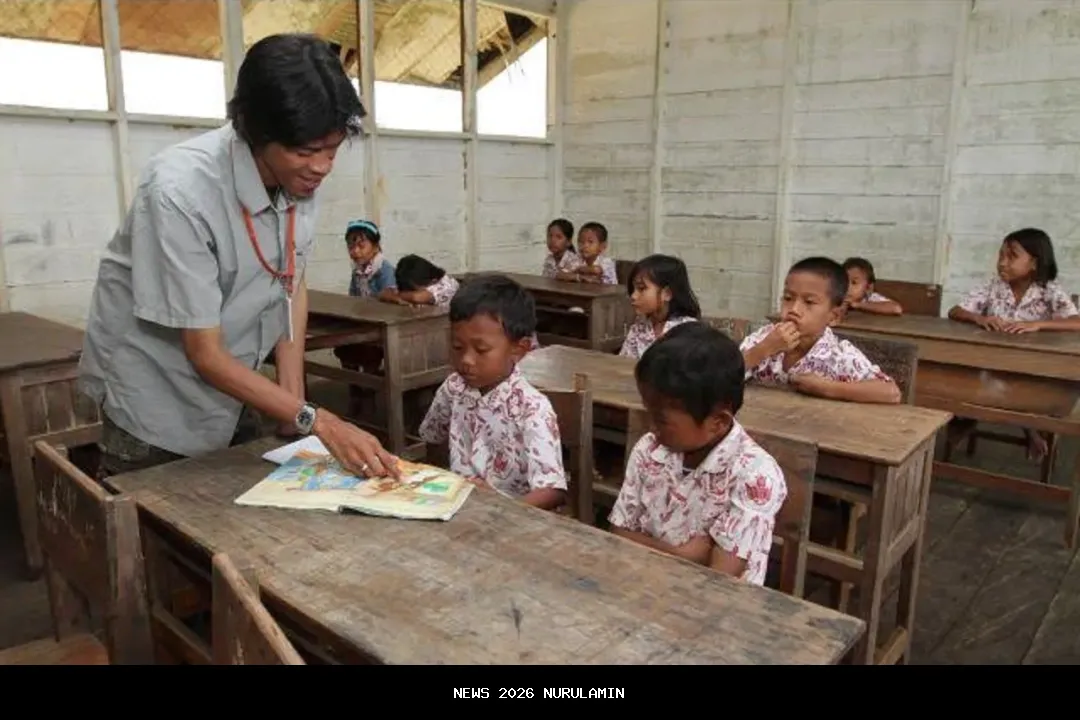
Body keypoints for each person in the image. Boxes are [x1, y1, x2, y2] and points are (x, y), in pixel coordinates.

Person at [78, 33, 400, 480]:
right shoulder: (179, 192)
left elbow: (292, 280)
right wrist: (318, 419)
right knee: (161, 526)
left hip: (234, 390)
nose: (322, 167)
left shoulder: (300, 180)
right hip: (158, 395)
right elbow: (203, 352)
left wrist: (294, 400)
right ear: (255, 133)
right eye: (306, 152)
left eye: (331, 150)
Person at [608, 322, 787, 586]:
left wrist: (649, 546)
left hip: (718, 613)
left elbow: (720, 577)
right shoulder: (650, 449)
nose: (651, 428)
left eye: (661, 419)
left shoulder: (755, 475)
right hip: (642, 587)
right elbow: (618, 533)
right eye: (648, 413)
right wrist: (684, 555)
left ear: (718, 422)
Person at [417, 275, 567, 510]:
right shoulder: (453, 388)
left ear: (519, 349)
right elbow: (433, 440)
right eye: (457, 347)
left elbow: (552, 491)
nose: (466, 360)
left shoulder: (532, 408)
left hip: (513, 517)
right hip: (457, 507)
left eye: (481, 350)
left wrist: (499, 506)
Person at [946, 227, 1080, 461]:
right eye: (1000, 255)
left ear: (1034, 263)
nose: (1002, 263)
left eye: (1012, 256)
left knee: (1019, 387)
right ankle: (1018, 426)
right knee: (966, 378)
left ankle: (973, 419)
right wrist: (980, 318)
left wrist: (1039, 325)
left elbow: (1076, 321)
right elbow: (955, 311)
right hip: (992, 364)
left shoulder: (1049, 290)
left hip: (1033, 369)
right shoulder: (993, 287)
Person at [740, 256, 901, 404]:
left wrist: (828, 388)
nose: (794, 309)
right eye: (788, 298)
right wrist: (764, 349)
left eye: (809, 302)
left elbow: (891, 392)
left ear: (833, 316)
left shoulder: (838, 355)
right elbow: (720, 374)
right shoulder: (763, 338)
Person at [619, 254, 700, 359]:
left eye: (641, 288)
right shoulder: (638, 328)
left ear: (667, 294)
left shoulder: (688, 331)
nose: (633, 296)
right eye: (633, 289)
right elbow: (622, 363)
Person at [381, 254, 460, 308]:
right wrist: (397, 298)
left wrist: (397, 297)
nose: (410, 292)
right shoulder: (414, 283)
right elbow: (384, 293)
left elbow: (416, 297)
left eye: (414, 290)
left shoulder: (447, 285)